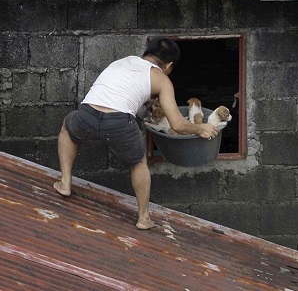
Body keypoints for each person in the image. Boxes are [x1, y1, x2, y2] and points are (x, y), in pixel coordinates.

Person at [53, 37, 218, 229]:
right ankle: (143, 218)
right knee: (139, 162)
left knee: (67, 128)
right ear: (169, 65)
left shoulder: (122, 61)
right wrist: (200, 128)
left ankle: (65, 183)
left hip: (87, 114)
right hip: (119, 123)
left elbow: (119, 92)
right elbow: (178, 124)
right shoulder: (162, 79)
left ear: (146, 52)